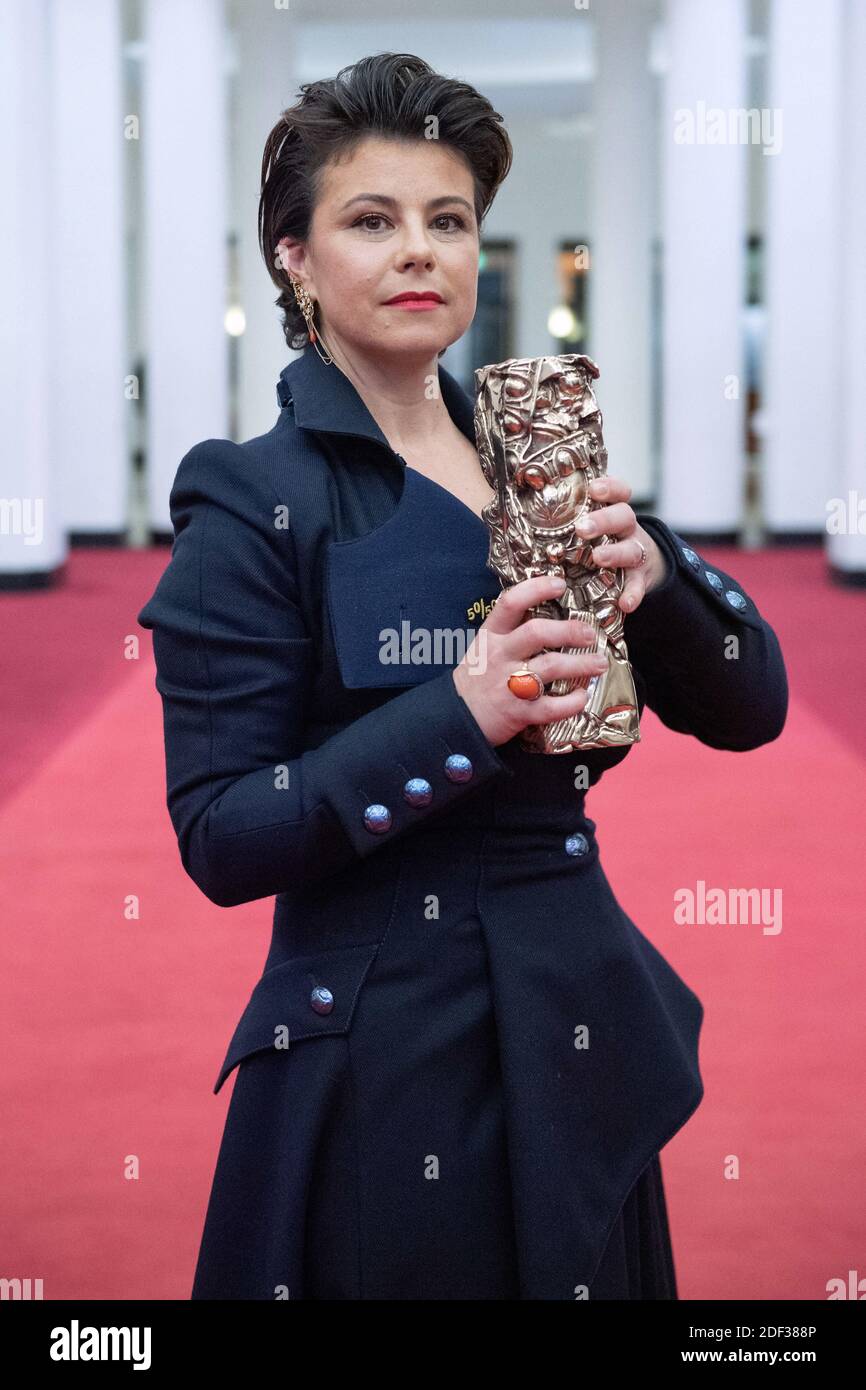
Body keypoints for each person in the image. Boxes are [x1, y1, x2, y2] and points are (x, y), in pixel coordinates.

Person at [137, 53, 788, 1301]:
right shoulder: (254, 492)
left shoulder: (537, 463)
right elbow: (221, 833)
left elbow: (751, 709)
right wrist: (462, 712)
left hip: (572, 1014)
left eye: (447, 221)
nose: (418, 252)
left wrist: (654, 567)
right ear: (292, 257)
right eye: (369, 221)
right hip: (384, 1037)